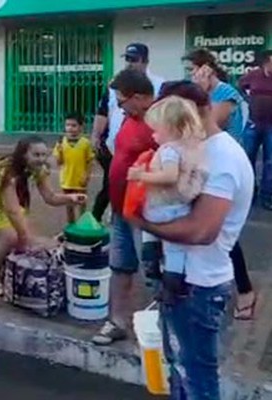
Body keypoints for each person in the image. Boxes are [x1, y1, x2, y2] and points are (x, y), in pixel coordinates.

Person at [131, 80, 254, 400]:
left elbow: (202, 231)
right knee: (180, 373)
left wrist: (141, 221)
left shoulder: (223, 158)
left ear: (196, 112)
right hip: (182, 281)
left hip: (199, 285)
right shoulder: (192, 147)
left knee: (198, 378)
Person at [185, 49, 257, 319]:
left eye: (193, 69)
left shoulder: (224, 93)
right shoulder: (208, 94)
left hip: (228, 169)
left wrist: (200, 92)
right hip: (209, 166)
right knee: (219, 234)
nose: (192, 75)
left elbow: (205, 127)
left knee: (225, 234)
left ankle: (245, 291)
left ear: (207, 69)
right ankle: (234, 287)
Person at [0, 136, 87, 296]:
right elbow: (13, 211)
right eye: (36, 155)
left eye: (44, 155)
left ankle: (11, 270)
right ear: (23, 154)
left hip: (7, 200)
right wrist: (24, 237)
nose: (41, 159)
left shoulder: (40, 169)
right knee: (11, 238)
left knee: (23, 234)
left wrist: (70, 198)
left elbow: (50, 197)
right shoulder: (6, 171)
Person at [92, 69, 158, 346]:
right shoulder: (129, 119)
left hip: (145, 214)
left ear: (141, 97)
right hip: (121, 209)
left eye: (122, 101)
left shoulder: (158, 124)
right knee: (119, 267)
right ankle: (117, 321)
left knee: (153, 273)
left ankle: (163, 329)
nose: (118, 106)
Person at [127, 95, 207, 302]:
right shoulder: (191, 148)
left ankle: (156, 267)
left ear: (170, 128)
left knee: (159, 237)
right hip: (180, 207)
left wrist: (141, 176)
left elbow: (169, 177)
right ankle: (171, 281)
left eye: (156, 130)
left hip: (163, 207)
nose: (153, 135)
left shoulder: (170, 150)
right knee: (175, 250)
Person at [91, 43, 165, 222]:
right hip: (115, 144)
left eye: (134, 59)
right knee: (111, 183)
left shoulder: (159, 85)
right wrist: (95, 135)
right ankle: (108, 215)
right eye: (127, 59)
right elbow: (102, 111)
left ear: (145, 61)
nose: (130, 63)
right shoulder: (116, 86)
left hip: (142, 155)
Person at [239, 49, 272, 211]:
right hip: (253, 124)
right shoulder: (253, 76)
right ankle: (250, 194)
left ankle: (267, 196)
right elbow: (240, 86)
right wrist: (248, 99)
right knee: (248, 159)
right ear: (266, 63)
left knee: (271, 162)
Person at [53, 113, 95, 223]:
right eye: (67, 125)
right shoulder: (61, 142)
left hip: (80, 180)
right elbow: (59, 162)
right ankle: (71, 225)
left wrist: (87, 175)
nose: (70, 128)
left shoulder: (85, 143)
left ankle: (82, 225)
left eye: (74, 125)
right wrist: (60, 151)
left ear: (81, 127)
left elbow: (90, 161)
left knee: (81, 204)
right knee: (69, 205)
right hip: (66, 180)